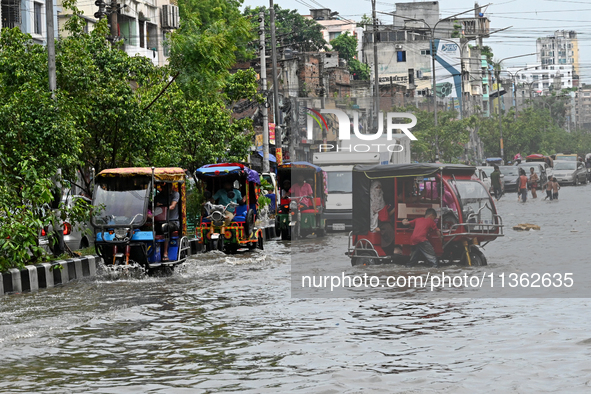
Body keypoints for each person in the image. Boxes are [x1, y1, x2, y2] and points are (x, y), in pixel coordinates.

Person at [155, 183, 180, 261]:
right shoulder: (158, 196)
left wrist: (162, 206)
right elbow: (153, 206)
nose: (167, 189)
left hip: (173, 221)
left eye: (169, 186)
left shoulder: (175, 194)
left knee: (165, 227)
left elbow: (172, 206)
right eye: (165, 187)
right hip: (159, 221)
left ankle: (165, 253)